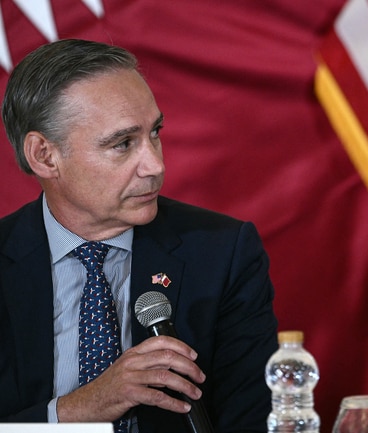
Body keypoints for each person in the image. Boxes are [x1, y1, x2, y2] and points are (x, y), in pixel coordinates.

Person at [0, 39, 278, 432]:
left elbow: (255, 421)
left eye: (155, 132)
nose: (155, 165)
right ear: (45, 155)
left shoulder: (222, 254)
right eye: (123, 144)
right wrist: (83, 408)